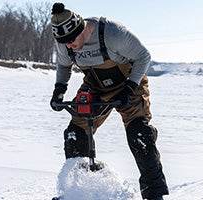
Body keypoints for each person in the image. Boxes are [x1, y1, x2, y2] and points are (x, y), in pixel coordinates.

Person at [49, 3, 169, 200]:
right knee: (74, 134)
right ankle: (79, 191)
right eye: (64, 43)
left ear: (81, 28)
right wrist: (59, 90)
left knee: (140, 135)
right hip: (95, 87)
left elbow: (144, 56)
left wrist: (130, 89)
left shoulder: (112, 33)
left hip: (130, 83)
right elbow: (64, 65)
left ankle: (154, 195)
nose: (69, 46)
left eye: (72, 40)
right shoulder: (65, 43)